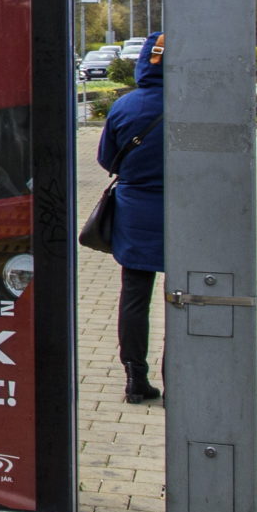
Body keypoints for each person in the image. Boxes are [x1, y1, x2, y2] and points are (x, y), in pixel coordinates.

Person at [95, 31, 166, 404]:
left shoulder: (125, 106)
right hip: (187, 216)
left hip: (135, 212)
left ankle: (135, 377)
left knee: (135, 298)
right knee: (183, 298)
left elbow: (107, 160)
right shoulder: (195, 103)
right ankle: (180, 378)